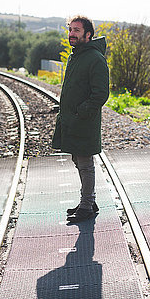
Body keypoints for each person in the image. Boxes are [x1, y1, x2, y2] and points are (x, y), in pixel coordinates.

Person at [52, 15, 109, 223]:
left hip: (84, 121)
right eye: (70, 29)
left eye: (76, 30)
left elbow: (101, 94)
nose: (71, 34)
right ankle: (89, 200)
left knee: (85, 163)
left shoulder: (95, 58)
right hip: (73, 120)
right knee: (78, 160)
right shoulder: (77, 55)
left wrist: (81, 112)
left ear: (88, 34)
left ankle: (86, 206)